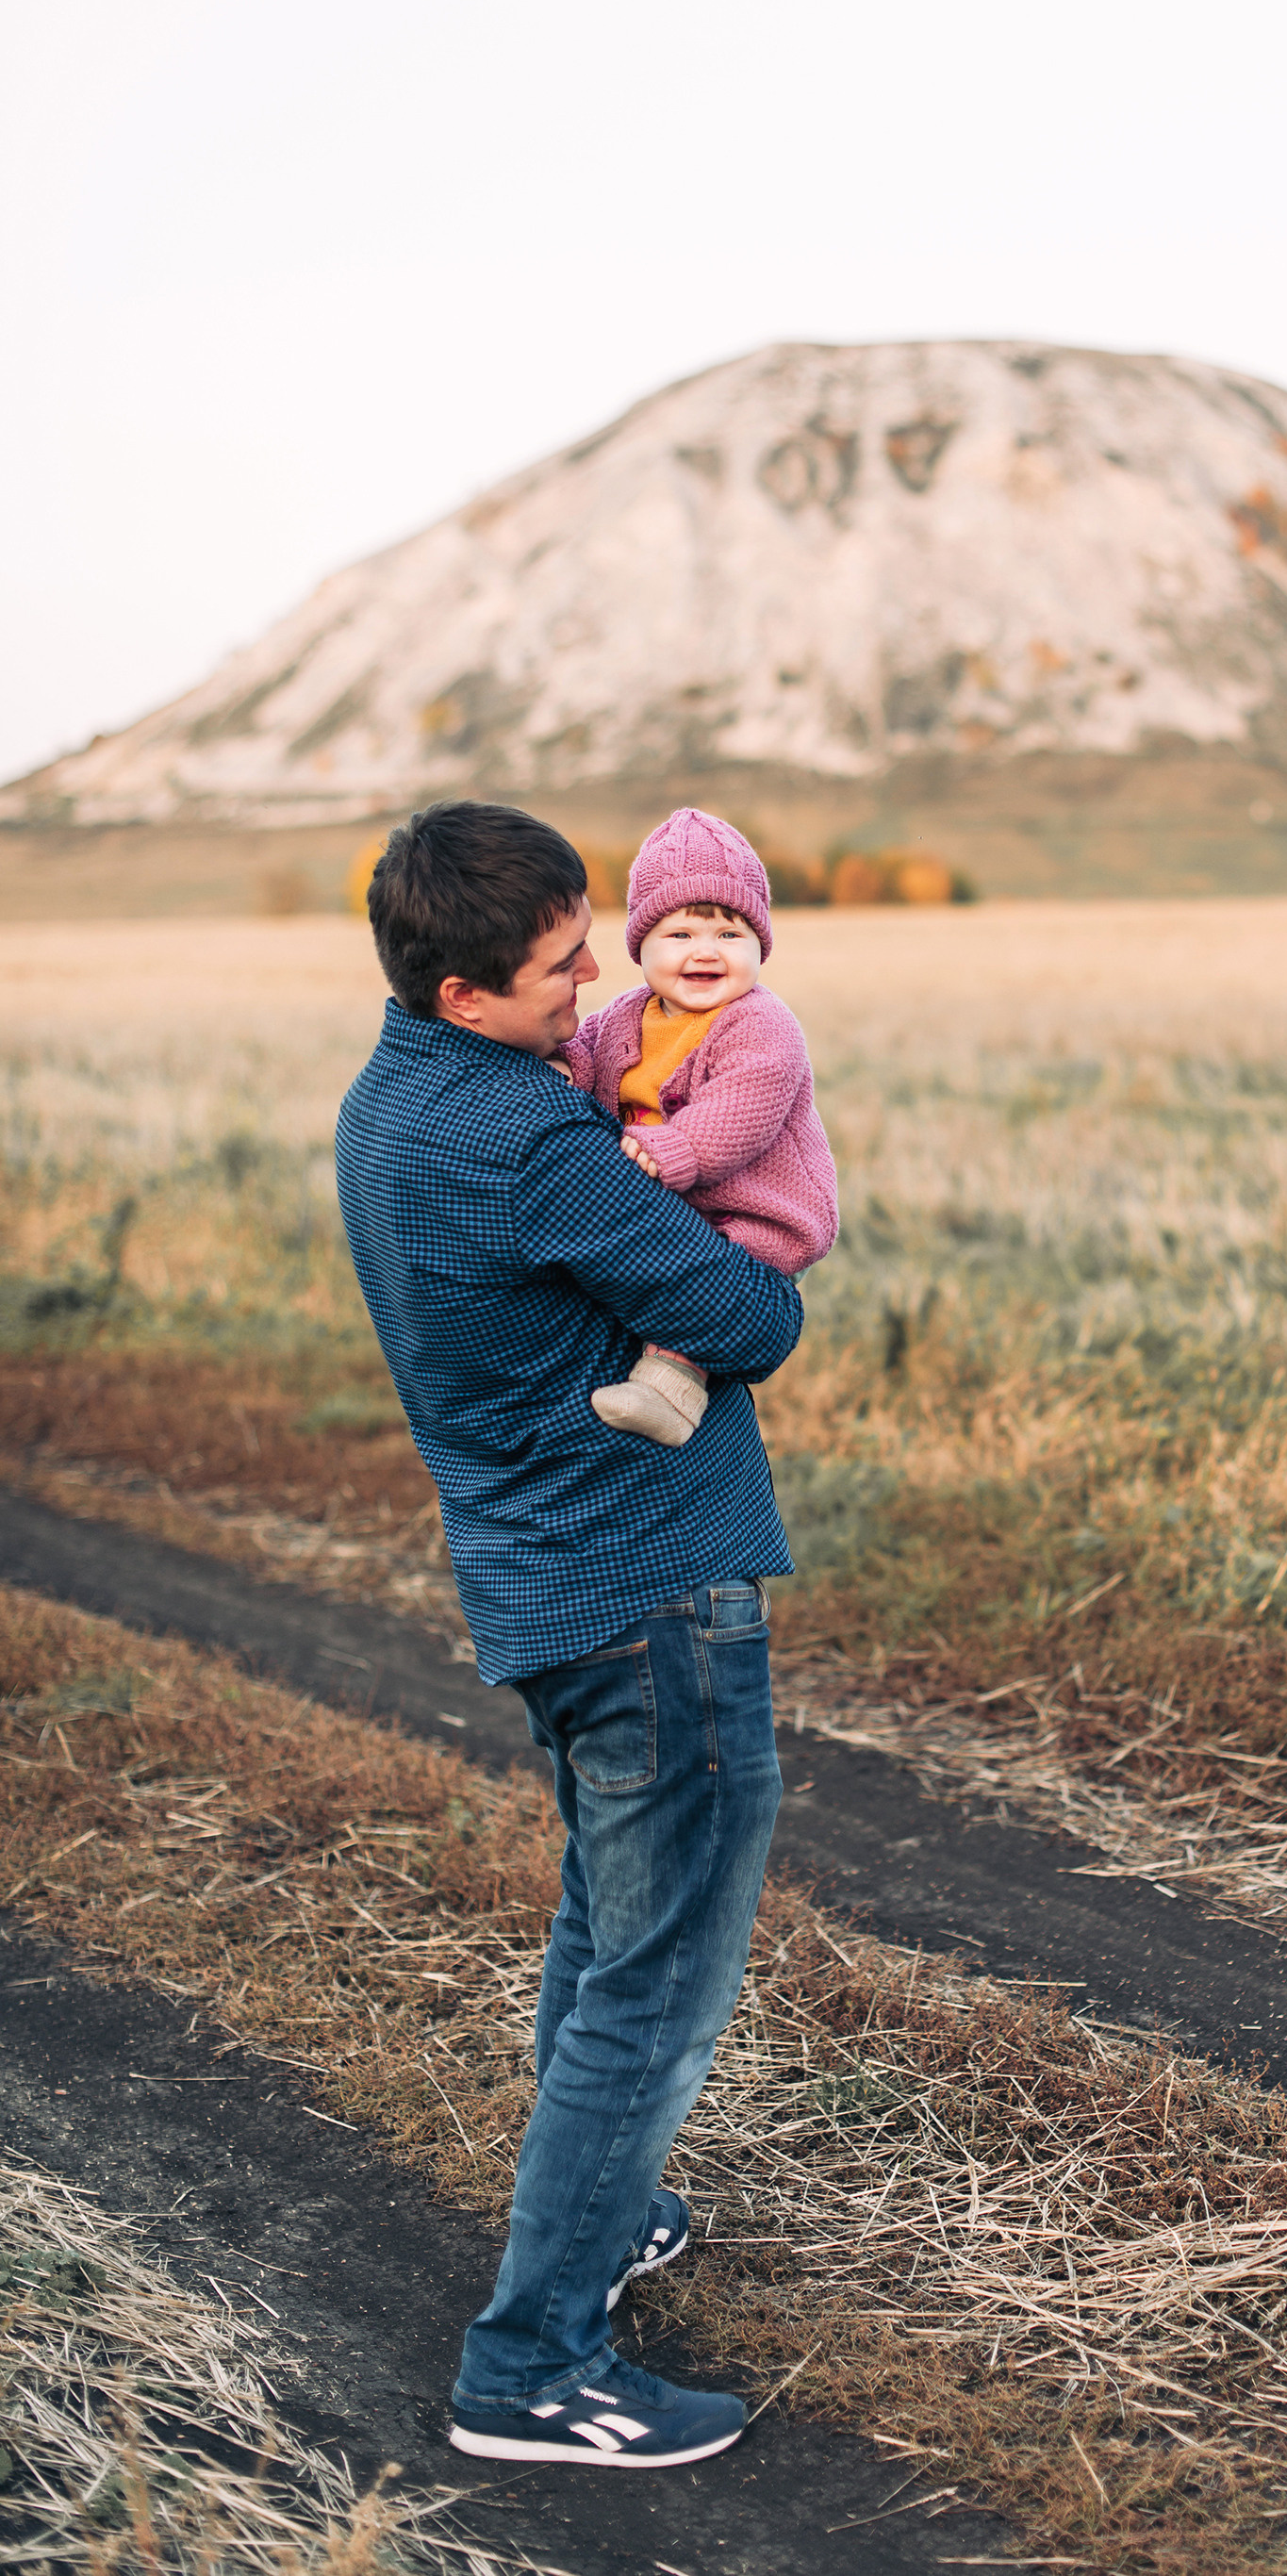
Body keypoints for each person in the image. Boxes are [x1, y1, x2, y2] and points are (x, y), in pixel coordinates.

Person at [335, 798, 804, 2472]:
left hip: (541, 1585)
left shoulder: (388, 1100)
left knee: (609, 1926)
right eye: (557, 965)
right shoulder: (529, 1139)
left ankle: (614, 2215)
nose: (594, 974)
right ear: (466, 989)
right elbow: (750, 1311)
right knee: (654, 1989)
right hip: (645, 1587)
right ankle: (533, 2364)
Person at [566, 805, 838, 1450]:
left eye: (731, 933)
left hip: (758, 1212)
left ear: (760, 945)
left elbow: (742, 1108)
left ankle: (671, 1389)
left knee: (706, 1287)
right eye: (680, 934)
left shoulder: (762, 1025)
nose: (706, 952)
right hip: (681, 1200)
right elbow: (581, 1052)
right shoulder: (624, 1016)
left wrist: (677, 1146)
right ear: (641, 945)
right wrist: (556, 1070)